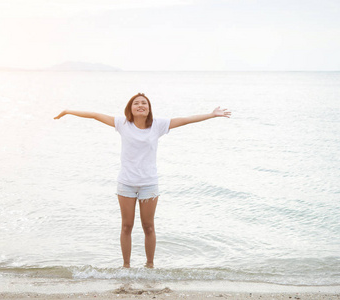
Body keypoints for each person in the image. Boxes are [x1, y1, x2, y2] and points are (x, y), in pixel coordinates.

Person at [54, 93, 231, 268]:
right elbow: (95, 115)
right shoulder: (122, 124)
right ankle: (126, 266)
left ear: (149, 109)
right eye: (136, 103)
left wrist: (211, 115)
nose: (140, 105)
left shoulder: (158, 125)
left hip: (149, 184)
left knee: (149, 227)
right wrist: (68, 111)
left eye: (144, 103)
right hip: (126, 184)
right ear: (130, 109)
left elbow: (185, 120)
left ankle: (150, 265)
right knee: (126, 226)